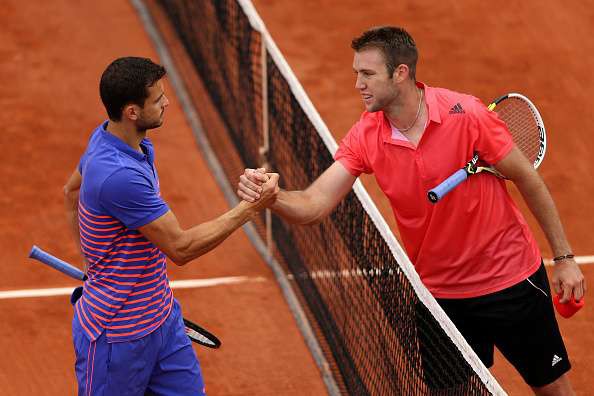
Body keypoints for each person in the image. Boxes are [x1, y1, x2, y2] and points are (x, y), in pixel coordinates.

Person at [237, 26, 586, 395]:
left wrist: (563, 257)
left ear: (400, 73)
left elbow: (527, 178)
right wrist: (273, 198)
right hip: (440, 297)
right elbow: (314, 204)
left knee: (552, 388)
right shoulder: (365, 136)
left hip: (511, 280)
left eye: (367, 73)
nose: (358, 84)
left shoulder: (466, 114)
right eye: (357, 73)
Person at [63, 57, 279, 395]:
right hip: (117, 339)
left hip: (163, 321)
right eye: (157, 98)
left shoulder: (113, 140)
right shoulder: (119, 175)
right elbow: (180, 247)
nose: (167, 102)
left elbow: (71, 191)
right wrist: (251, 209)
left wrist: (93, 262)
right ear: (132, 112)